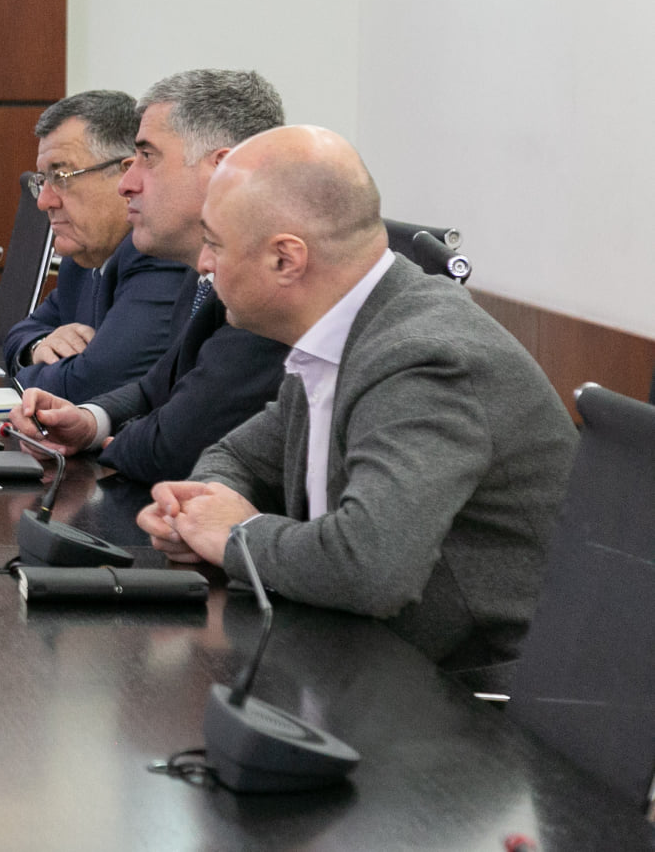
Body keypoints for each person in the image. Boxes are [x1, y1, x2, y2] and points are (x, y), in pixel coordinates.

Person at [136, 126, 576, 681]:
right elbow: (239, 456)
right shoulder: (345, 330)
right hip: (367, 659)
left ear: (286, 259)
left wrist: (233, 539)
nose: (203, 263)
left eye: (215, 244)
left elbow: (370, 566)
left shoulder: (423, 357)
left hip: (471, 700)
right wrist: (202, 511)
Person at [7, 69, 289, 483]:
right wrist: (89, 421)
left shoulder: (267, 284)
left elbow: (174, 446)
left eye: (147, 157)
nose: (126, 183)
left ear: (222, 169)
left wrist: (112, 442)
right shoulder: (202, 275)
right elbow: (153, 389)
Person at [3, 91, 188, 401]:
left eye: (61, 176)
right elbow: (19, 332)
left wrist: (26, 376)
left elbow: (91, 384)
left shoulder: (160, 257)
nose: (44, 201)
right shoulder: (83, 256)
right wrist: (39, 346)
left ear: (126, 174)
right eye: (43, 180)